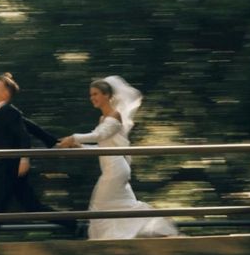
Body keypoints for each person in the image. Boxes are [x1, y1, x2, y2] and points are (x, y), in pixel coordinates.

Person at [57, 76, 179, 240]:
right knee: (124, 207)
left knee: (99, 207)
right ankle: (152, 226)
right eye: (91, 95)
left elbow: (99, 135)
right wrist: (78, 146)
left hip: (115, 169)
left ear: (107, 95)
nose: (92, 98)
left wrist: (74, 138)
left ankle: (107, 241)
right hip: (112, 168)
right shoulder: (104, 119)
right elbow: (103, 146)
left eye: (96, 94)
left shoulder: (115, 117)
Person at [0, 73, 73, 241]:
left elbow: (24, 136)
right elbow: (31, 126)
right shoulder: (5, 112)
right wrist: (52, 142)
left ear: (5, 94)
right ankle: (72, 225)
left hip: (11, 169)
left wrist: (25, 159)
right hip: (9, 168)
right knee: (31, 206)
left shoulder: (8, 111)